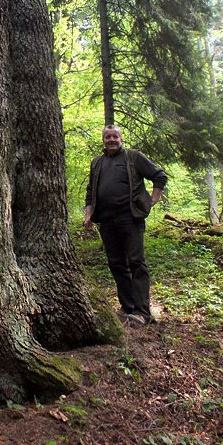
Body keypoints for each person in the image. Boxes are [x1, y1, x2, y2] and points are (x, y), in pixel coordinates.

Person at [85, 124, 167, 325]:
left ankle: (142, 312)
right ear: (103, 140)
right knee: (116, 264)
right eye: (108, 137)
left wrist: (152, 199)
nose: (111, 140)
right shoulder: (97, 162)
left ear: (121, 138)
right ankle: (128, 307)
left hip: (130, 218)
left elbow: (159, 175)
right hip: (106, 221)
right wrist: (88, 215)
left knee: (136, 263)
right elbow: (90, 191)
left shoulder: (133, 157)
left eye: (115, 136)